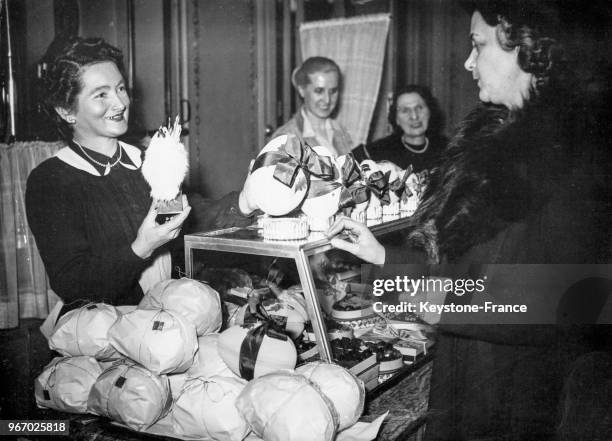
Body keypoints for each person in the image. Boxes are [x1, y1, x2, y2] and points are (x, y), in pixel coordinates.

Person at [327, 1, 612, 439]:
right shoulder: (491, 142)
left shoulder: (580, 153)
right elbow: (472, 273)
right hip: (473, 381)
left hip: (533, 402)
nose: (467, 61)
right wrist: (383, 255)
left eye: (478, 45)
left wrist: (443, 303)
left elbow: (581, 296)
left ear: (528, 48)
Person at [26, 36, 257, 320]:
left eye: (120, 88)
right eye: (101, 94)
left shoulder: (149, 160)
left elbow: (188, 219)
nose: (120, 103)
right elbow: (73, 283)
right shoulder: (51, 181)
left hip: (167, 317)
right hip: (102, 331)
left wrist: (245, 201)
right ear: (66, 111)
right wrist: (141, 247)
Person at [353, 84, 447, 172]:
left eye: (419, 108)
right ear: (396, 118)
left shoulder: (447, 148)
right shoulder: (378, 151)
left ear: (429, 111)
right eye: (405, 110)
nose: (414, 116)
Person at [271, 56, 352, 157]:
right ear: (301, 90)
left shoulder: (341, 131)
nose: (327, 99)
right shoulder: (285, 138)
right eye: (319, 91)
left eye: (333, 91)